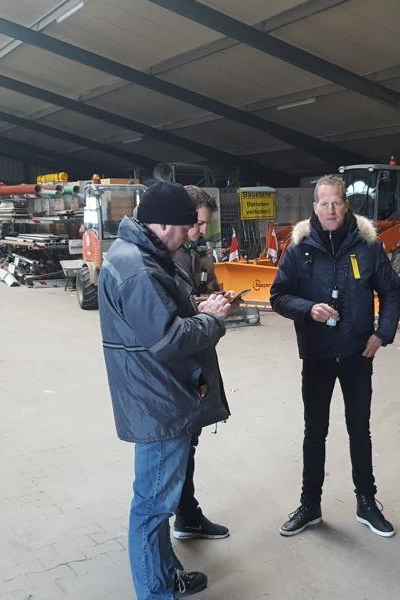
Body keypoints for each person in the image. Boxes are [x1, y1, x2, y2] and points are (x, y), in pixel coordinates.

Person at [99, 181, 233, 600]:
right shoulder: (137, 267)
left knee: (157, 503)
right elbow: (167, 340)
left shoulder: (143, 255)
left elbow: (161, 317)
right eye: (186, 227)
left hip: (158, 394)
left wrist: (197, 308)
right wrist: (212, 320)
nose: (190, 235)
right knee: (151, 508)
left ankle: (165, 578)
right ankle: (155, 592)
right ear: (163, 225)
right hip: (158, 402)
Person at [270, 174, 400, 538]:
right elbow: (278, 295)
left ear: (346, 206)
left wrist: (382, 334)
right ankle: (309, 505)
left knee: (360, 428)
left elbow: (392, 290)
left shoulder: (367, 246)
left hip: (357, 353)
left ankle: (366, 503)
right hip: (317, 355)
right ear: (314, 206)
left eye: (336, 203)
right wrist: (308, 308)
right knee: (315, 431)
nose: (330, 209)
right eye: (324, 203)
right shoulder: (300, 248)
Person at [166, 185, 229, 543]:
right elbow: (167, 321)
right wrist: (201, 310)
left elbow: (203, 290)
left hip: (196, 357)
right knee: (176, 448)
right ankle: (183, 516)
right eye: (198, 223)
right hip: (179, 364)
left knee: (188, 443)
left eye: (206, 224)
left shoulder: (199, 252)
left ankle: (187, 515)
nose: (203, 231)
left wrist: (215, 300)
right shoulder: (162, 258)